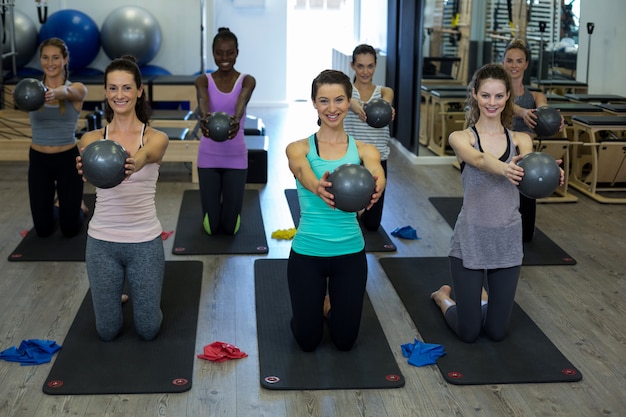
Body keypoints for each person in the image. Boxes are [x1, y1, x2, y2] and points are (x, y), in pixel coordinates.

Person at [430, 64, 564, 343]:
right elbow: (478, 160)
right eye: (486, 95)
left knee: (496, 332)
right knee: (469, 332)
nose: (492, 103)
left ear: (507, 99)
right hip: (471, 238)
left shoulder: (521, 139)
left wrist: (550, 172)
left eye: (499, 96)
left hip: (507, 239)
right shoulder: (462, 138)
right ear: (475, 96)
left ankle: (479, 294)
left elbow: (531, 170)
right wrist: (504, 168)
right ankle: (443, 297)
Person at [285, 69, 386, 352]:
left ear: (349, 100)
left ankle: (327, 306)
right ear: (315, 103)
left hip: (350, 254)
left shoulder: (365, 150)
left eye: (339, 100)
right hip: (307, 253)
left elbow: (378, 173)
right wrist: (317, 186)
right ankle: (310, 310)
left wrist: (378, 187)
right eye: (324, 101)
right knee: (307, 341)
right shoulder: (299, 148)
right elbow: (301, 171)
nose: (332, 108)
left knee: (345, 341)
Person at [76, 56, 169, 342]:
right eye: (113, 88)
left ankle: (144, 299)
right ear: (105, 92)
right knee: (107, 331)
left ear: (139, 90)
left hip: (144, 242)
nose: (120, 95)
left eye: (127, 88)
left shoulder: (155, 137)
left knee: (148, 329)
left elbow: (146, 155)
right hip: (102, 242)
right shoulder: (91, 140)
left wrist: (132, 163)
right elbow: (87, 174)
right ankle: (119, 294)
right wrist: (84, 171)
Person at [194, 27, 256, 236]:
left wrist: (236, 120)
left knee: (230, 228)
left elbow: (242, 99)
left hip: (236, 158)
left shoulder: (247, 80)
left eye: (230, 53)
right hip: (208, 157)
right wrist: (204, 118)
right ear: (213, 53)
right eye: (219, 53)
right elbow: (203, 99)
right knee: (212, 228)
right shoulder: (203, 80)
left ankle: (231, 214)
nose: (225, 58)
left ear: (237, 53)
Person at [502, 39, 564, 242]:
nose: (514, 65)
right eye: (509, 60)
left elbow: (543, 110)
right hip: (502, 153)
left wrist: (554, 118)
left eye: (519, 61)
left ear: (526, 64)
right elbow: (509, 107)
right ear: (503, 62)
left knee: (526, 234)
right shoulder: (498, 95)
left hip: (527, 159)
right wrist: (523, 112)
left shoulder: (536, 95)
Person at [25, 37, 87, 238]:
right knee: (43, 230)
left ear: (65, 60)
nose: (50, 63)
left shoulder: (76, 88)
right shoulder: (31, 89)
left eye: (55, 57)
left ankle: (78, 206)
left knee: (70, 229)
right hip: (39, 160)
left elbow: (71, 92)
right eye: (45, 57)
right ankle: (61, 203)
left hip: (67, 160)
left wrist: (57, 92)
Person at [343, 44, 395, 231]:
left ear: (376, 65)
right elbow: (344, 98)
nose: (365, 71)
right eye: (360, 66)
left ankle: (362, 211)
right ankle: (354, 211)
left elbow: (386, 101)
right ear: (352, 65)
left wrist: (385, 109)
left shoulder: (384, 92)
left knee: (372, 225)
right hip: (352, 158)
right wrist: (353, 105)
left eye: (370, 66)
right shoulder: (345, 92)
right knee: (347, 221)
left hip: (378, 158)